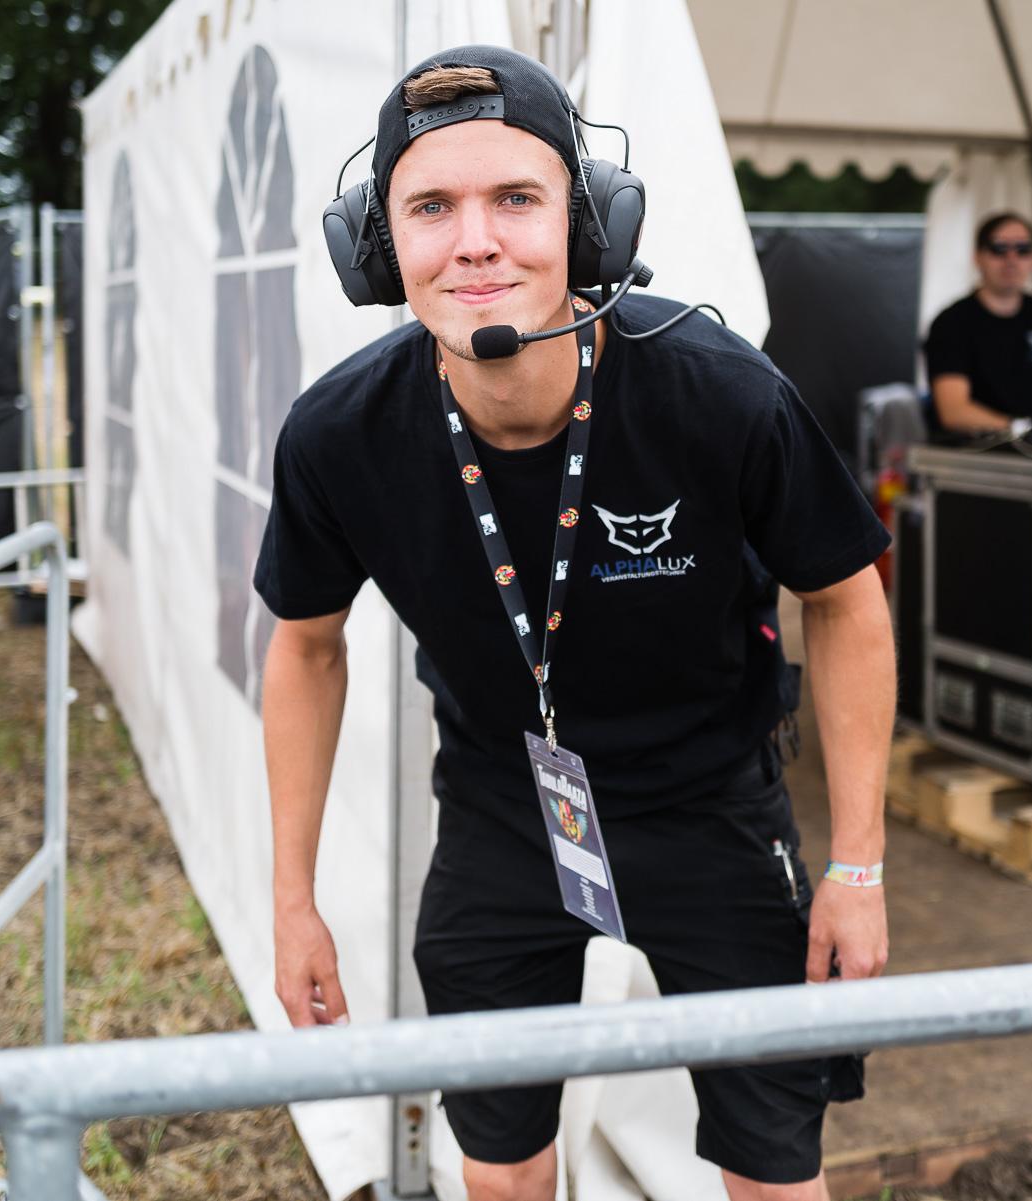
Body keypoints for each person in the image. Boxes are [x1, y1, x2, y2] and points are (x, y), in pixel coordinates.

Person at [254, 46, 895, 1201]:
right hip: (507, 812)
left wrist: (858, 861)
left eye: (517, 199)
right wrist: (293, 901)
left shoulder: (720, 388)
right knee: (499, 1171)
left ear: (589, 225)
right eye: (432, 207)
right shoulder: (338, 435)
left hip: (711, 803)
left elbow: (846, 599)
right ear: (377, 248)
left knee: (773, 1170)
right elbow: (305, 645)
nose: (477, 240)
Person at [923, 211, 1032, 434]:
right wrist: (1019, 429)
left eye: (1023, 249)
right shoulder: (951, 322)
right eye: (999, 249)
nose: (1011, 259)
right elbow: (954, 412)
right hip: (975, 452)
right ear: (978, 257)